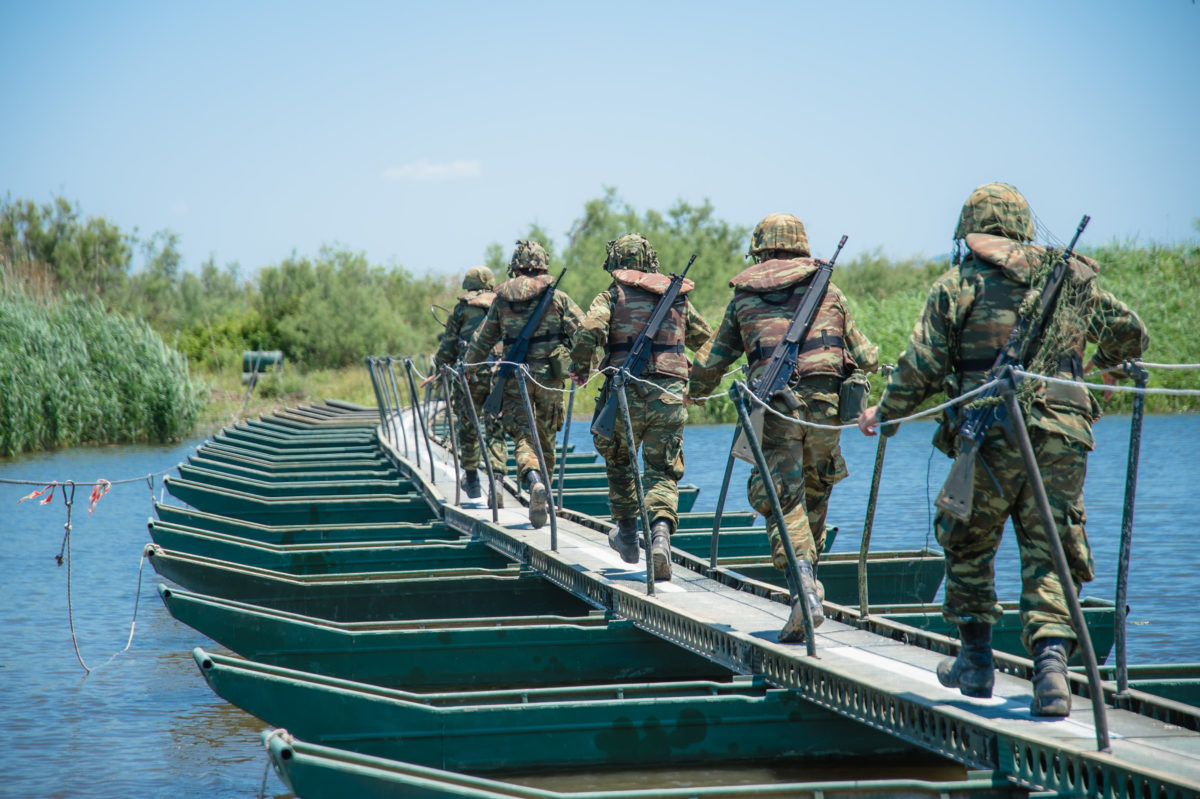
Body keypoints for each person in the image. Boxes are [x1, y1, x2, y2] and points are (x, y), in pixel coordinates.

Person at [857, 182, 1148, 716]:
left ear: (972, 230)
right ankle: (1052, 671)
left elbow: (921, 365)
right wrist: (1094, 369)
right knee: (1052, 551)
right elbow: (1132, 333)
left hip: (989, 436)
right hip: (1062, 435)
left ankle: (976, 661)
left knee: (967, 541)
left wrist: (886, 414)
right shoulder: (1066, 281)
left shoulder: (958, 284)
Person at [690, 213, 878, 641]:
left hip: (775, 409)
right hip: (827, 408)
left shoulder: (744, 297)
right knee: (813, 489)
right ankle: (808, 585)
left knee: (779, 496)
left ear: (760, 249)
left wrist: (693, 389)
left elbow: (710, 361)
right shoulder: (829, 290)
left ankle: (804, 590)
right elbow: (864, 355)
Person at [570, 234, 713, 580]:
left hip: (625, 395)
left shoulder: (612, 295)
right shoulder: (677, 298)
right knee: (662, 471)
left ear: (615, 263)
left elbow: (589, 328)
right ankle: (661, 536)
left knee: (619, 458)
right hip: (670, 396)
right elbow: (709, 341)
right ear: (651, 263)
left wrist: (580, 365)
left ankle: (630, 536)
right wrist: (700, 388)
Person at [465, 240, 585, 529]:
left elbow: (482, 340)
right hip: (550, 380)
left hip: (514, 377)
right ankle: (543, 492)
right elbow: (584, 331)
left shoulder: (502, 300)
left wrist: (468, 366)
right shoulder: (559, 298)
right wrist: (582, 366)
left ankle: (532, 480)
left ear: (515, 267)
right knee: (546, 438)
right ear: (543, 266)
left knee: (523, 438)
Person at [429, 266, 508, 505]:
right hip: (498, 375)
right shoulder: (503, 306)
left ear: (468, 284)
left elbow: (448, 348)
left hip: (469, 376)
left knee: (468, 425)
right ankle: (497, 481)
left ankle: (472, 479)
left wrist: (438, 371)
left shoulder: (462, 309)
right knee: (495, 428)